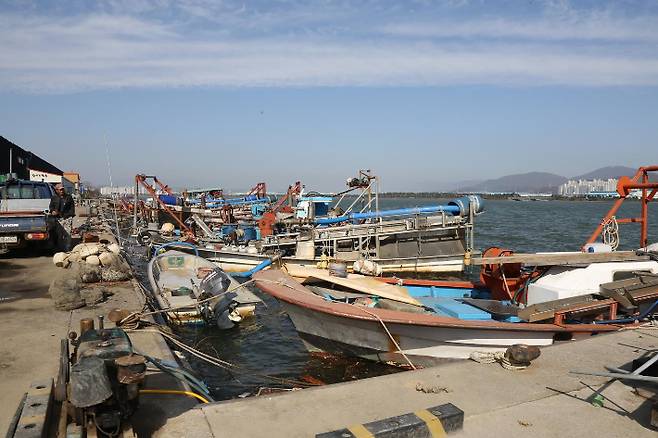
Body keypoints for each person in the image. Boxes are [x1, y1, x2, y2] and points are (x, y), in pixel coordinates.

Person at [49, 184, 75, 251]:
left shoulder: (69, 197)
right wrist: (52, 211)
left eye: (62, 189)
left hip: (67, 218)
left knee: (67, 234)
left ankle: (67, 249)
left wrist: (70, 216)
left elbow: (72, 208)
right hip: (58, 219)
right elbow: (51, 207)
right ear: (56, 190)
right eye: (60, 189)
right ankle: (60, 249)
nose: (62, 191)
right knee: (59, 235)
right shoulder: (54, 197)